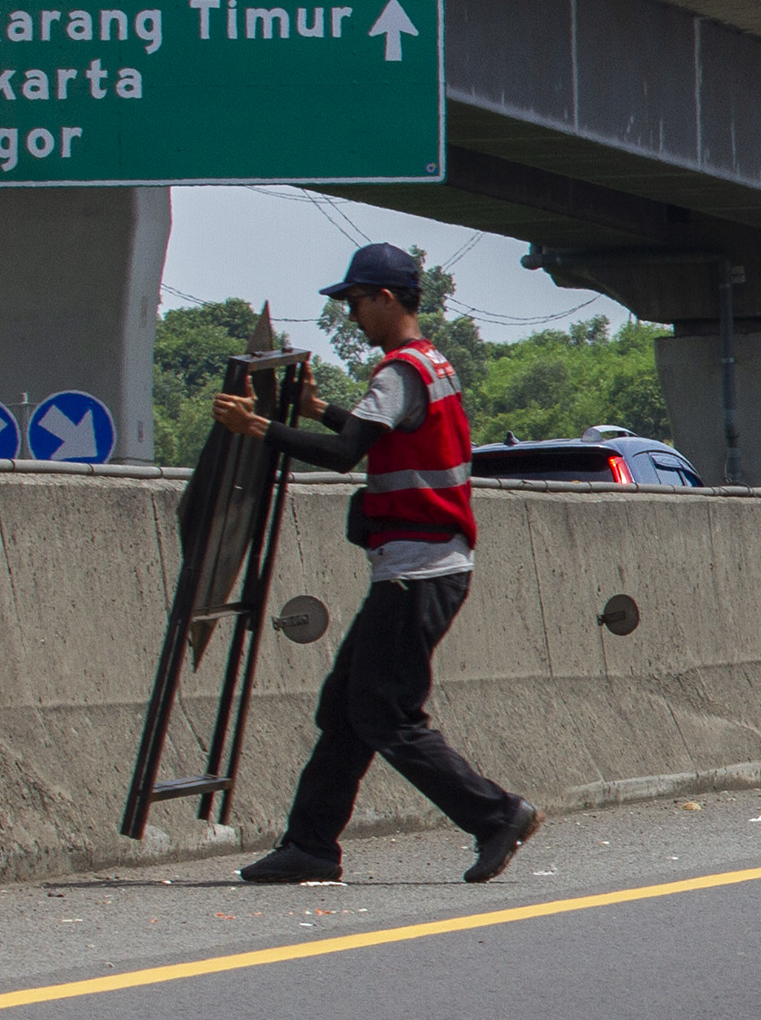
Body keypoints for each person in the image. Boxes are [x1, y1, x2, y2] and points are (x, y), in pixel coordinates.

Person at [213, 242, 540, 887]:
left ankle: (496, 814)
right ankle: (309, 845)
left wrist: (259, 430)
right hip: (424, 566)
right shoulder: (428, 363)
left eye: (357, 302)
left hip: (418, 571)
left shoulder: (398, 370)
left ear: (387, 299)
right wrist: (316, 410)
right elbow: (373, 436)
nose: (352, 316)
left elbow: (343, 455)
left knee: (385, 714)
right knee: (345, 708)